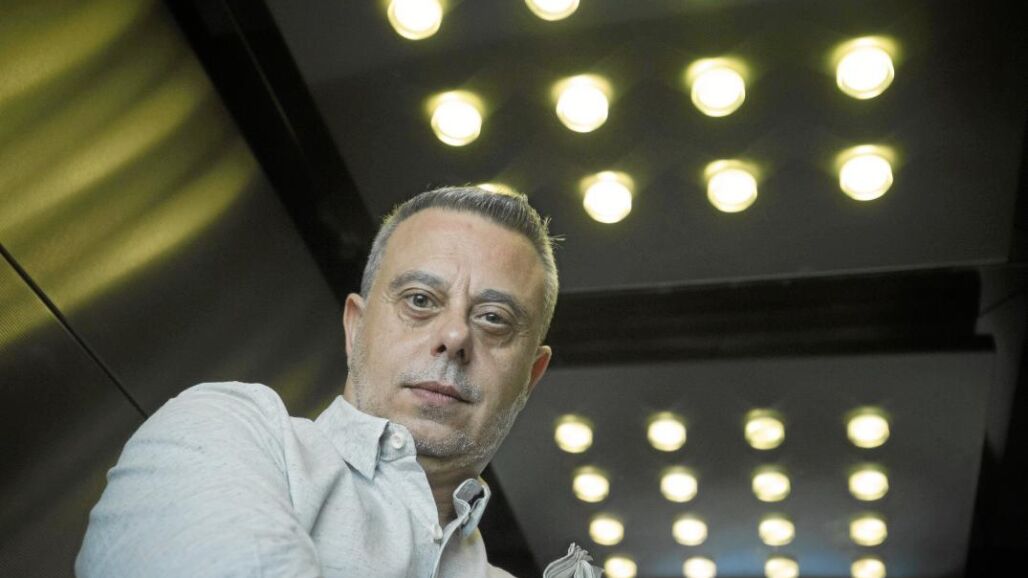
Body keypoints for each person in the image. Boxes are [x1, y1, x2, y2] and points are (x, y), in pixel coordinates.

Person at [76, 186, 597, 577]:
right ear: (355, 327)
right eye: (420, 300)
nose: (455, 336)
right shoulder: (228, 429)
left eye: (494, 319)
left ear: (531, 377)